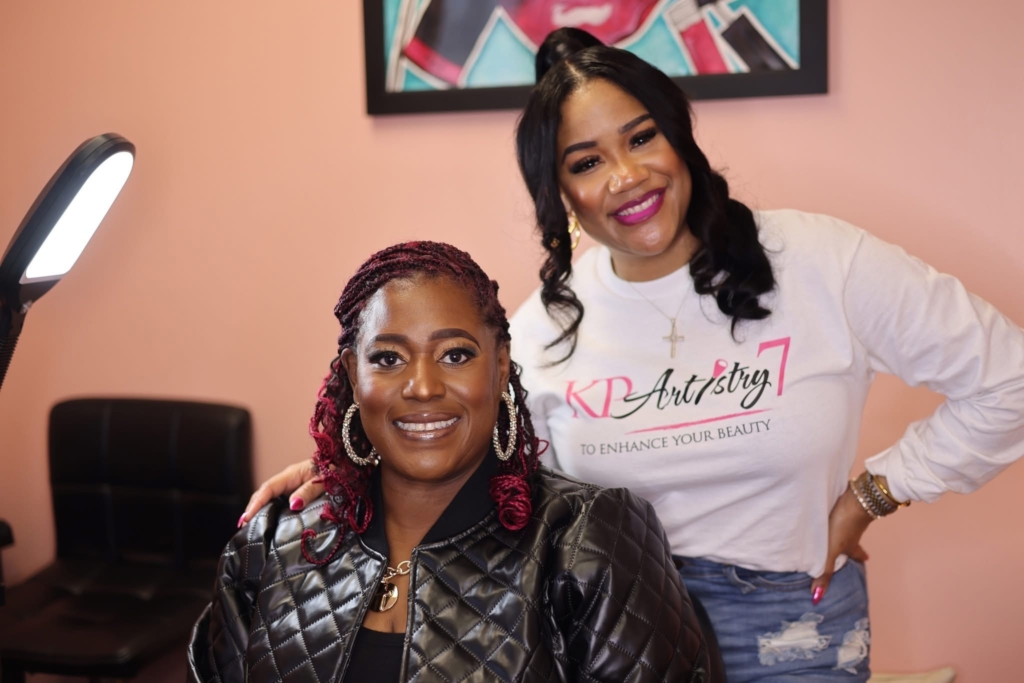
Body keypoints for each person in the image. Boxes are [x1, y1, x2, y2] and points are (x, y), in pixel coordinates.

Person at [240, 30, 1024, 681]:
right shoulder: (544, 328)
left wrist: (872, 494)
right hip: (605, 626)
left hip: (792, 630)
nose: (625, 176)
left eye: (641, 136)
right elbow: (475, 449)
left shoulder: (822, 263)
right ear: (562, 196)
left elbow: (1008, 379)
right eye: (585, 162)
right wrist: (347, 470)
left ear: (678, 137)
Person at [189, 241, 714, 683]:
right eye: (388, 358)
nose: (422, 387)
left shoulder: (587, 537)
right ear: (353, 373)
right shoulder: (271, 542)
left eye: (456, 354)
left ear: (501, 363)